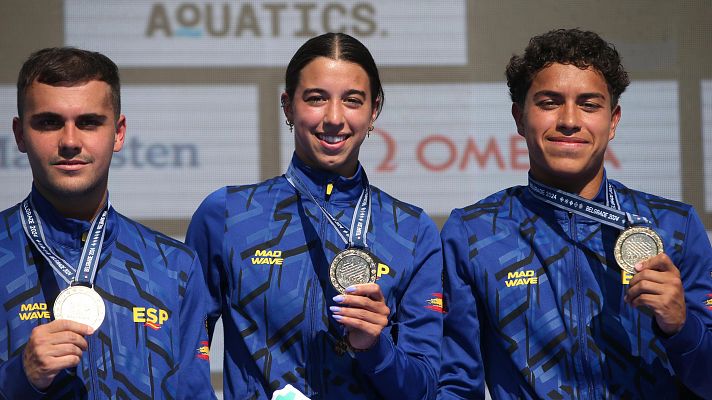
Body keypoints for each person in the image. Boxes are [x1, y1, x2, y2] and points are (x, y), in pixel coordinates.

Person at [438, 28, 712, 399]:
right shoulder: (473, 232)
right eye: (549, 102)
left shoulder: (673, 226)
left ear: (612, 121)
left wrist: (681, 327)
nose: (569, 120)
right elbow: (456, 385)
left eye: (589, 104)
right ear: (520, 118)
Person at [187, 32, 443, 399]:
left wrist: (375, 347)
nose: (334, 118)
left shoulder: (413, 231)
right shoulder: (226, 215)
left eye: (352, 100)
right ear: (288, 107)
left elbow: (424, 387)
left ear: (374, 111)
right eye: (316, 98)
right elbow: (186, 358)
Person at [0, 47, 215, 399]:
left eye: (88, 122)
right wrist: (20, 376)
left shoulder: (174, 266)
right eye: (49, 122)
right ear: (20, 134)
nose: (69, 141)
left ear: (118, 133)